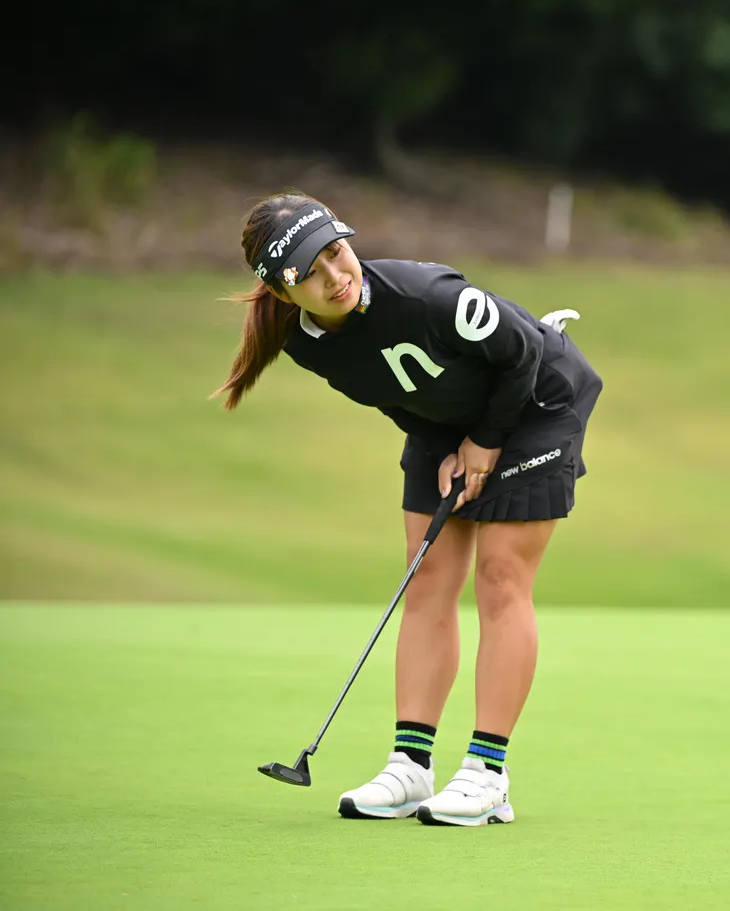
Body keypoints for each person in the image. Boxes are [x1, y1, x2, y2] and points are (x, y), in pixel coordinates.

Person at [213, 192, 603, 827]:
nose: (334, 276)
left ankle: (487, 774)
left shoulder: (427, 297)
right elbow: (392, 394)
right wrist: (447, 446)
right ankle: (411, 767)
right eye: (309, 272)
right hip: (442, 425)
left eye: (336, 252)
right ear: (282, 293)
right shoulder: (305, 343)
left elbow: (523, 353)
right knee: (426, 578)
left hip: (537, 403)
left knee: (500, 578)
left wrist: (483, 442)